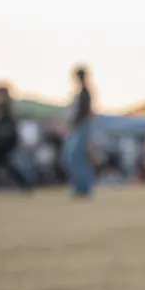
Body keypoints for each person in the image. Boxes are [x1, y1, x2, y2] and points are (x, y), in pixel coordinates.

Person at [0, 85, 33, 193]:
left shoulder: (5, 109)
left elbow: (6, 126)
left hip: (4, 141)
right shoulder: (0, 109)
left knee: (3, 164)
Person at [64, 65, 97, 198]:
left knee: (78, 158)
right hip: (79, 128)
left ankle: (83, 187)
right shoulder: (81, 92)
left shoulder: (85, 92)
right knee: (75, 158)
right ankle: (80, 186)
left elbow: (85, 113)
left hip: (82, 128)